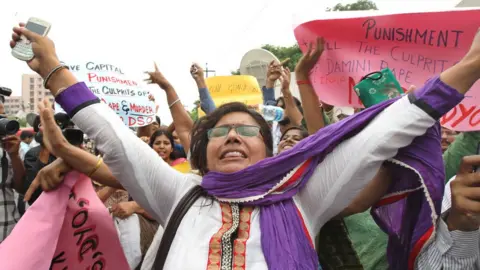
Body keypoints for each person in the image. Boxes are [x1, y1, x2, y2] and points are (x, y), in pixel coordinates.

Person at [11, 24, 480, 269]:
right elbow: (111, 136)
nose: (231, 135)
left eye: (246, 130)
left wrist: (468, 67)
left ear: (273, 150)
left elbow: (380, 135)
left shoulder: (304, 200)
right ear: (200, 153)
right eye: (217, 132)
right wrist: (52, 67)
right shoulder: (179, 194)